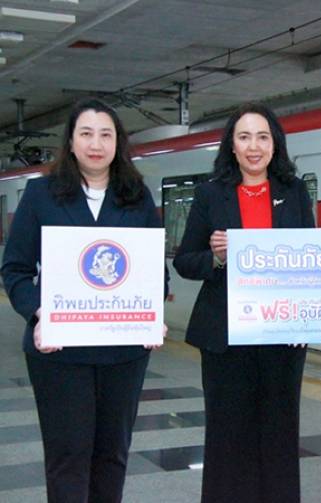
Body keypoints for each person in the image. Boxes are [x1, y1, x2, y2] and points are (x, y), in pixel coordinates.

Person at [1, 98, 168, 503]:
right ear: (71, 142)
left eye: (106, 135)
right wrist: (42, 312)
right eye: (87, 134)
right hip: (59, 352)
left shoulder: (137, 197)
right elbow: (15, 269)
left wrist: (153, 312)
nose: (96, 144)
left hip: (123, 352)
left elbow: (155, 272)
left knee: (113, 455)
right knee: (68, 457)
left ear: (118, 143)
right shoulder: (41, 194)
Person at [173, 103, 314, 503]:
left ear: (275, 144)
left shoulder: (295, 192)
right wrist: (217, 257)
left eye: (263, 137)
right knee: (227, 437)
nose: (254, 146)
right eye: (245, 137)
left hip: (283, 335)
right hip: (225, 338)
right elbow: (185, 260)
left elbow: (313, 260)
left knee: (280, 435)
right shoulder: (210, 194)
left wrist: (308, 318)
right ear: (232, 146)